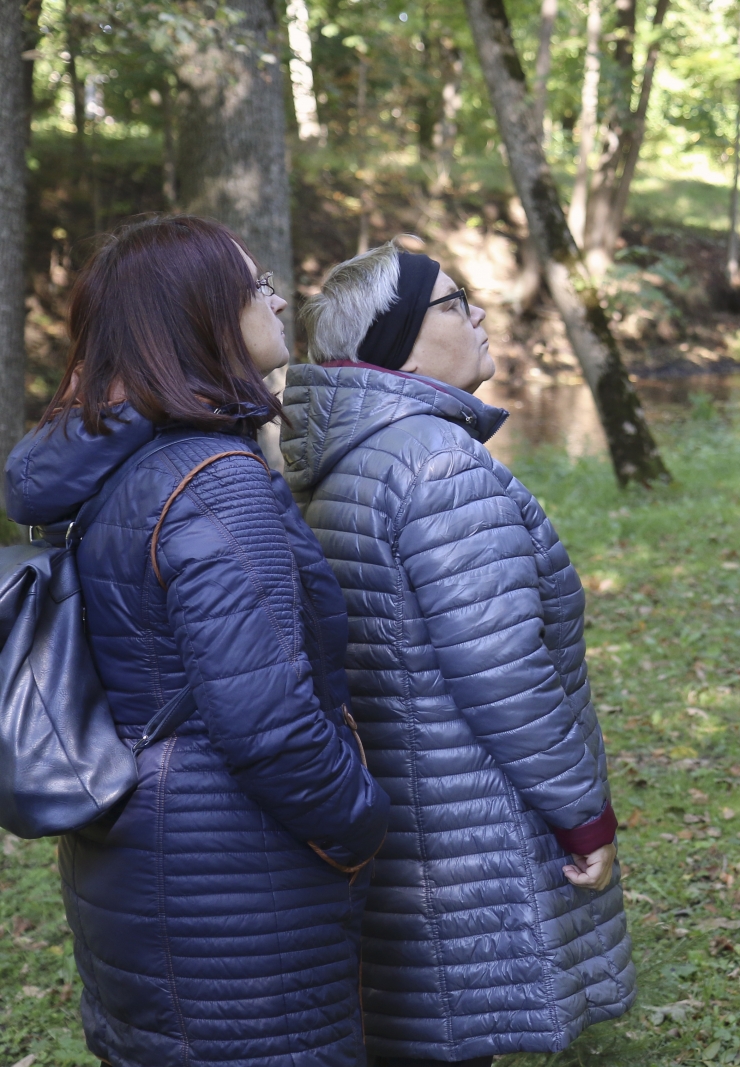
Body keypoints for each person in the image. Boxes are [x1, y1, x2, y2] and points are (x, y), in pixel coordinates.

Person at [3, 215, 390, 1067]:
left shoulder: (122, 469)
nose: (280, 296)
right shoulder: (215, 484)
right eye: (256, 285)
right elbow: (268, 723)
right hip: (233, 886)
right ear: (199, 315)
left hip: (138, 853)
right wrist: (361, 824)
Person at [282, 239, 634, 1065]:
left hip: (399, 826)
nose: (479, 313)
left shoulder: (349, 462)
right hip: (463, 830)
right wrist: (583, 817)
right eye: (453, 301)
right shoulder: (440, 468)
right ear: (397, 336)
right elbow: (507, 674)